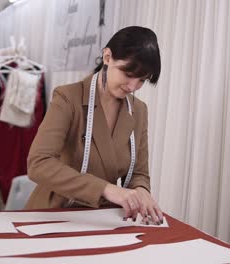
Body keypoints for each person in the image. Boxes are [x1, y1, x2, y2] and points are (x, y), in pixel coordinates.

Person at [25, 26, 163, 225]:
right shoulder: (68, 98)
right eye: (128, 73)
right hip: (55, 213)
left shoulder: (139, 111)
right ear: (107, 57)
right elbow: (38, 164)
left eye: (141, 79)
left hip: (104, 217)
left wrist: (141, 191)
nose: (133, 87)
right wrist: (107, 189)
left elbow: (139, 173)